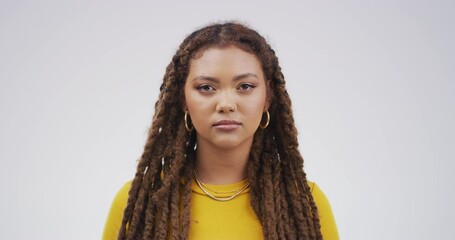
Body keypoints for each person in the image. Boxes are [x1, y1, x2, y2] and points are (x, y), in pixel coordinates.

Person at [103, 21, 339, 240]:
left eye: (245, 86)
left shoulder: (306, 204)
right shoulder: (138, 204)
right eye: (206, 87)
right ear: (184, 100)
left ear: (267, 98)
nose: (226, 104)